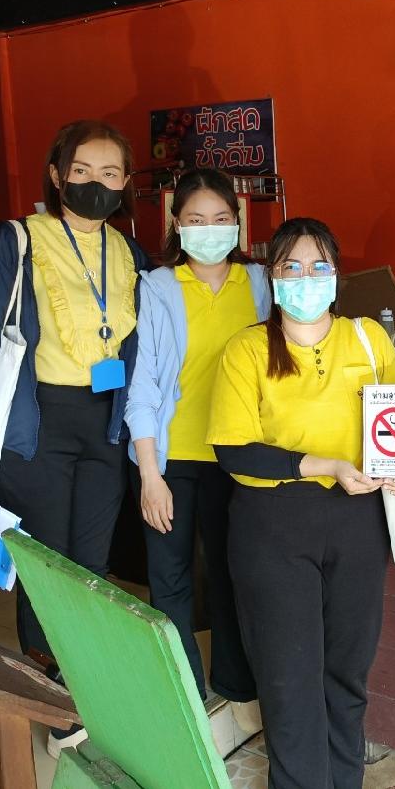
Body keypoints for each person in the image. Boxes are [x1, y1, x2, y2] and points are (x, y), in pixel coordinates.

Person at [0, 119, 150, 756]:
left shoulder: (129, 251)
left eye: (110, 173)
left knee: (90, 565)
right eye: (82, 171)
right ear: (57, 175)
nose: (95, 184)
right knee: (46, 566)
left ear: (125, 182)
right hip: (36, 427)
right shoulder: (14, 242)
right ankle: (54, 705)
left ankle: (82, 682)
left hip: (105, 424)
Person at [205, 217, 395, 789]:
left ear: (337, 275)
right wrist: (328, 466)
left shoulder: (367, 339)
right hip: (274, 528)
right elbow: (233, 450)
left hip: (358, 524)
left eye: (319, 265)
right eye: (291, 266)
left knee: (346, 674)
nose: (306, 278)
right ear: (272, 277)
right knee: (289, 681)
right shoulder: (247, 349)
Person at [125, 168, 269, 710]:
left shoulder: (260, 283)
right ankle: (184, 692)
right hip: (173, 458)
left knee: (236, 574)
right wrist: (149, 475)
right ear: (177, 224)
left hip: (240, 455)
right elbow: (142, 386)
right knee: (171, 578)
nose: (210, 230)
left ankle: (236, 685)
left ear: (237, 222)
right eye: (196, 219)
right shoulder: (158, 287)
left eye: (221, 218)